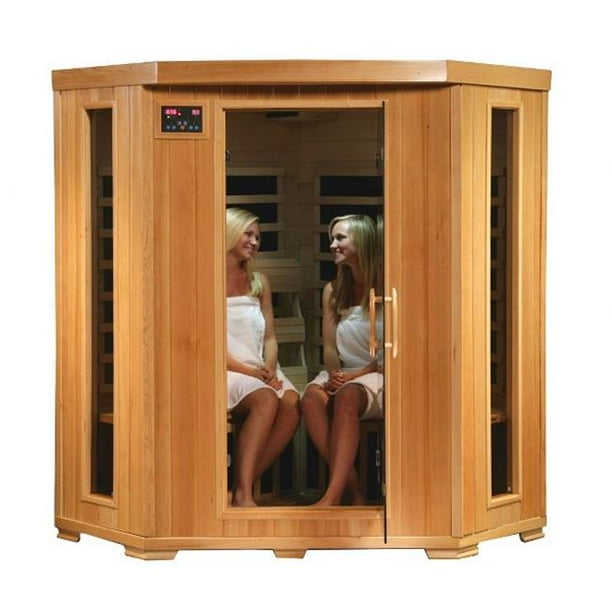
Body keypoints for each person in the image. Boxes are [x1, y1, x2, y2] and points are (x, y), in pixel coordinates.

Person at [302, 214, 383, 506]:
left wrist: (351, 378)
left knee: (347, 395)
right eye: (331, 238)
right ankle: (355, 490)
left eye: (340, 238)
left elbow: (391, 352)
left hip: (380, 373)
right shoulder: (333, 290)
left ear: (361, 241)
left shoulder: (388, 286)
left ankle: (332, 496)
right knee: (311, 399)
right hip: (345, 372)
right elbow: (329, 346)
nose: (332, 245)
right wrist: (334, 374)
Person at [226, 208, 300, 507]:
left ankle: (236, 489)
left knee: (292, 404)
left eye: (258, 236)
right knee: (266, 399)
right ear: (230, 233)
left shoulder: (259, 283)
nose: (254, 242)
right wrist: (252, 373)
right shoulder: (205, 281)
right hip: (227, 369)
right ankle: (245, 494)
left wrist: (269, 366)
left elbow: (269, 337)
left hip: (259, 368)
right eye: (248, 234)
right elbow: (207, 346)